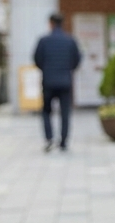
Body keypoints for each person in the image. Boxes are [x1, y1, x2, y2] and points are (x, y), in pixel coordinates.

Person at [33, 12, 82, 152]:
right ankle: (64, 141)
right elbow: (77, 60)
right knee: (65, 112)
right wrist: (68, 70)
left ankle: (49, 138)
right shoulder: (70, 40)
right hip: (65, 81)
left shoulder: (43, 40)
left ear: (51, 23)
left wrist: (46, 70)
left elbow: (37, 59)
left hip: (48, 81)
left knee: (46, 111)